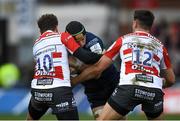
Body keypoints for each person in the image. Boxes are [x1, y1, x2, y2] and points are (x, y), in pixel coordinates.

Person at [72, 10, 175, 120]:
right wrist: (159, 82)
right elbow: (171, 79)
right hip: (154, 90)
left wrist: (73, 81)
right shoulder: (160, 46)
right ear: (151, 26)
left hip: (130, 87)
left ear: (135, 23)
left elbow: (98, 68)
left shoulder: (124, 40)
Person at [27, 14, 103, 120]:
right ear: (56, 27)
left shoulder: (36, 44)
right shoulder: (63, 36)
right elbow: (86, 58)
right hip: (59, 90)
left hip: (38, 90)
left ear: (40, 31)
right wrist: (104, 56)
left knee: (30, 119)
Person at [65, 21, 120, 119]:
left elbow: (97, 71)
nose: (81, 43)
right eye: (77, 41)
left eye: (83, 38)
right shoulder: (63, 48)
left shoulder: (93, 42)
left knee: (118, 119)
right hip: (94, 91)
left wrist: (75, 76)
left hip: (111, 83)